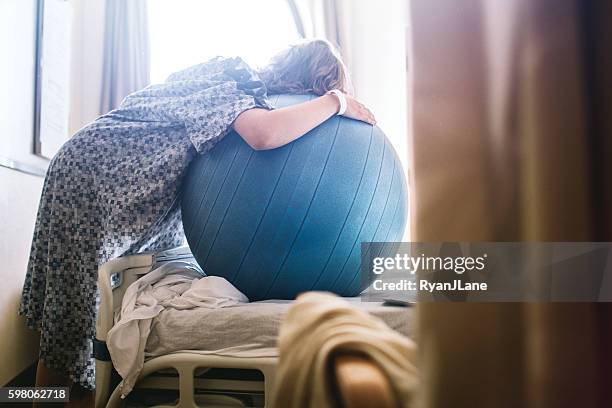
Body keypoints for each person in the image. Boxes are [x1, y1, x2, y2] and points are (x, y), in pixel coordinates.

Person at [18, 38, 376, 402]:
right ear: (308, 81)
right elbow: (264, 134)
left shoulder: (236, 86)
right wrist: (336, 102)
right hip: (95, 175)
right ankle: (41, 400)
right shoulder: (233, 80)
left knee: (79, 309)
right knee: (75, 316)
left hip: (114, 179)